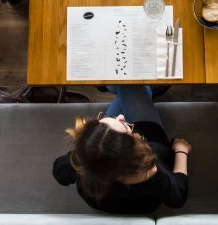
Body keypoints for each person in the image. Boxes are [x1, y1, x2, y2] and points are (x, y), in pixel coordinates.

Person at [52, 86, 191, 214]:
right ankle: (137, 89)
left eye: (101, 122)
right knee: (133, 88)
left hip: (100, 203)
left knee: (129, 92)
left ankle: (123, 88)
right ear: (134, 149)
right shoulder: (150, 169)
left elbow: (59, 173)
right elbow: (178, 196)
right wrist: (181, 151)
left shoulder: (81, 164)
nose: (120, 117)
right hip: (143, 206)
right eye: (127, 128)